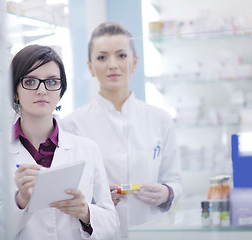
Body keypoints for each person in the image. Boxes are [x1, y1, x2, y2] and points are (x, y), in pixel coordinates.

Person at [0, 44, 119, 240]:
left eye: (51, 82)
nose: (42, 91)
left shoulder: (87, 149)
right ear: (14, 91)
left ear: (60, 91)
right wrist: (20, 201)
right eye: (30, 82)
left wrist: (85, 212)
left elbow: (112, 225)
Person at [60, 22, 182, 239]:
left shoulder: (160, 119)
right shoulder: (71, 125)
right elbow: (67, 192)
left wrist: (166, 192)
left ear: (135, 62)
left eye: (121, 55)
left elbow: (175, 180)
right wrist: (95, 198)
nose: (112, 65)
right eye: (102, 57)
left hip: (151, 230)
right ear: (90, 67)